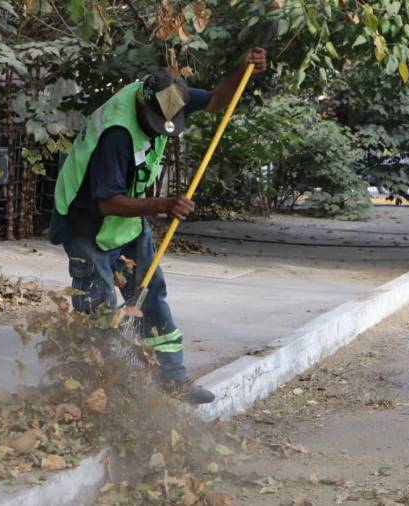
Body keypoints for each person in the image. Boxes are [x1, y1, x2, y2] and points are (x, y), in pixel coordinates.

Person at [48, 49, 268, 404]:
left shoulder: (170, 95)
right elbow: (108, 202)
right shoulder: (117, 135)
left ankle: (171, 379)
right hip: (86, 222)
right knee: (98, 309)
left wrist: (243, 68)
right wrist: (164, 205)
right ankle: (94, 392)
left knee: (151, 296)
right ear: (141, 104)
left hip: (128, 223)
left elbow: (215, 101)